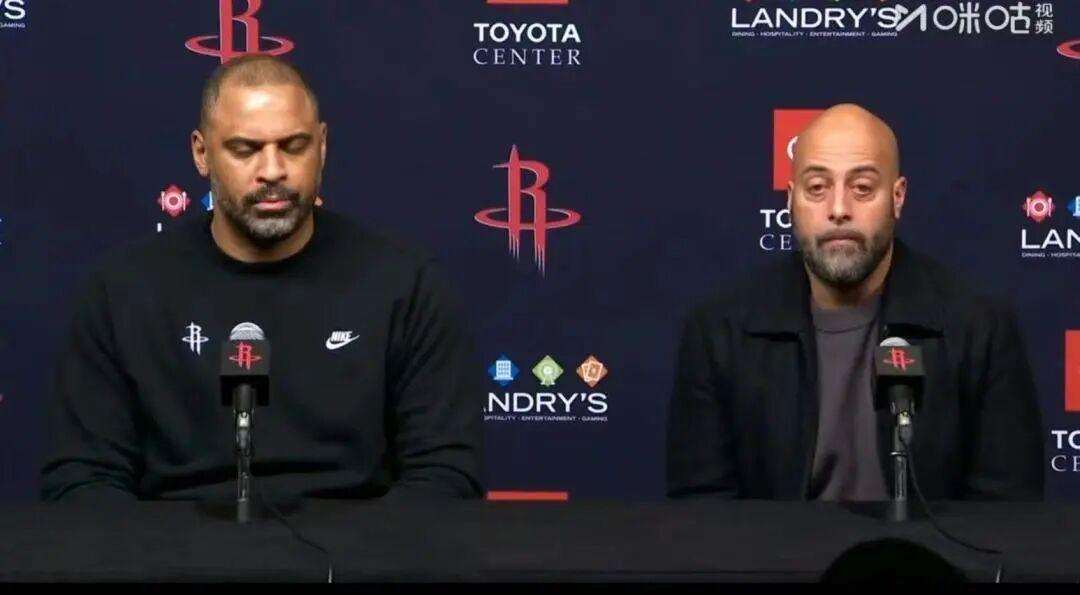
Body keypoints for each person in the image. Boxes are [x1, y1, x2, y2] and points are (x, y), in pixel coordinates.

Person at [41, 55, 484, 503]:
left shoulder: (405, 284)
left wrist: (361, 547)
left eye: (294, 146)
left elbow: (445, 473)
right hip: (171, 542)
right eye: (245, 149)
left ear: (322, 146)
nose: (272, 171)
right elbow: (83, 477)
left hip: (360, 542)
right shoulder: (124, 290)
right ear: (201, 153)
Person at [666, 104, 1044, 501]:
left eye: (862, 188)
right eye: (817, 188)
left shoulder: (980, 328)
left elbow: (1007, 510)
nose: (839, 210)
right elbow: (702, 512)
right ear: (791, 200)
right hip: (772, 546)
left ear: (898, 197)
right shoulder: (719, 331)